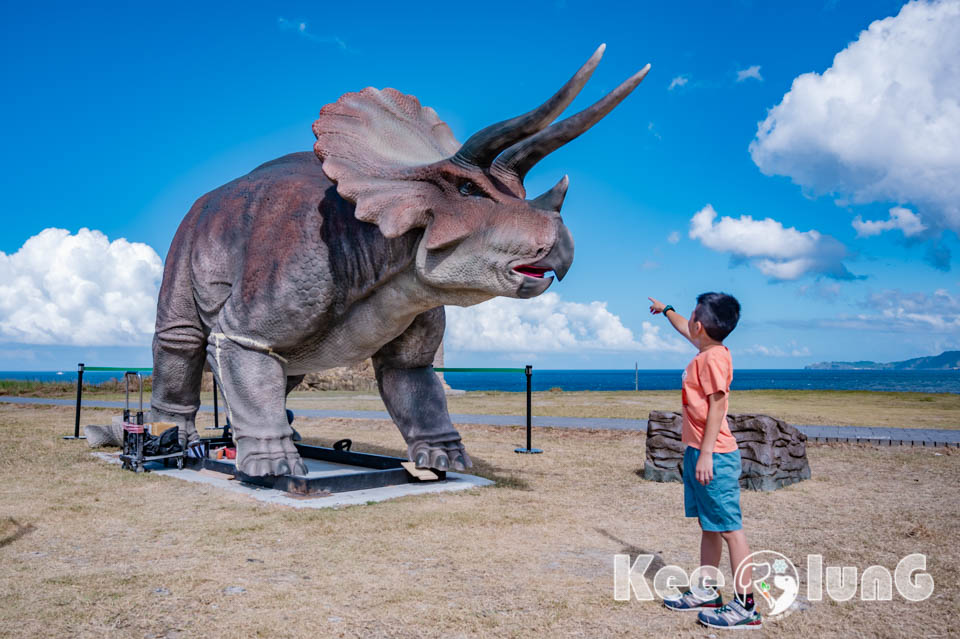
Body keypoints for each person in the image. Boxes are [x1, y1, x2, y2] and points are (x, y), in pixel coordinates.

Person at [647, 292, 761, 630]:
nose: (688, 320)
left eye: (691, 315)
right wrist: (665, 310)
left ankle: (746, 606)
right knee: (710, 526)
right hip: (700, 451)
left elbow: (717, 405)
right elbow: (684, 327)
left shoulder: (712, 359)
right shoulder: (707, 348)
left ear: (701, 326)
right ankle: (707, 591)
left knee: (730, 530)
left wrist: (707, 453)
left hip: (716, 455)